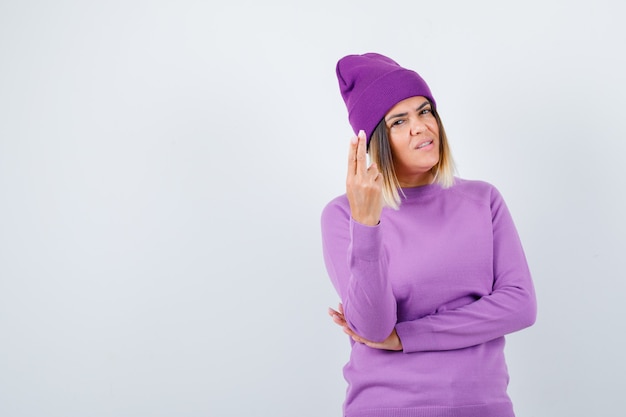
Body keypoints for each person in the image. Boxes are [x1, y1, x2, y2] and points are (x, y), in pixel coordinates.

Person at [321, 52, 537, 417]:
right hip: (388, 407)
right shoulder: (344, 215)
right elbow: (374, 326)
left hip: (484, 407)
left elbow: (520, 306)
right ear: (375, 141)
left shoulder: (483, 200)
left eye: (425, 111)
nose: (420, 126)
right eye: (399, 121)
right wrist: (367, 223)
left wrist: (406, 337)